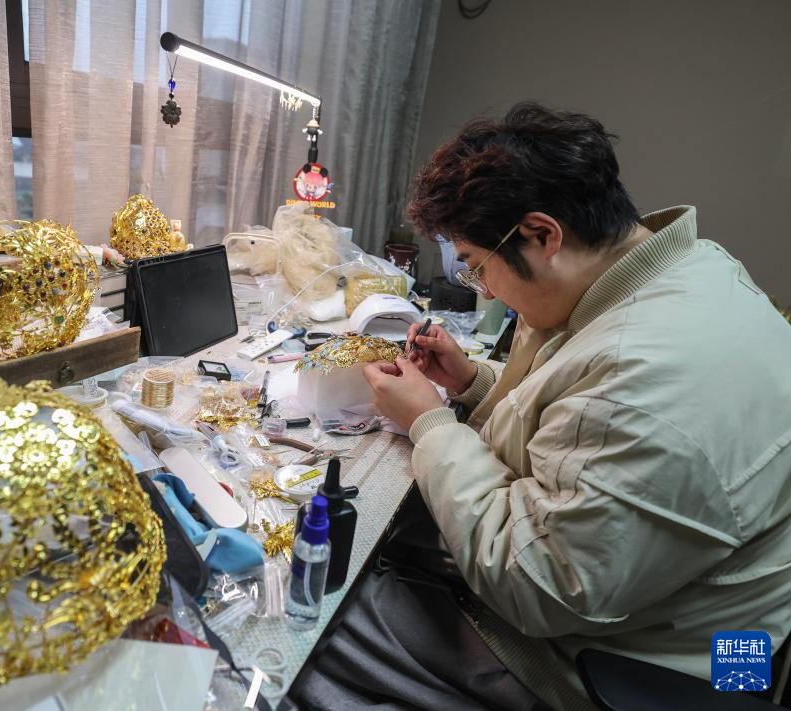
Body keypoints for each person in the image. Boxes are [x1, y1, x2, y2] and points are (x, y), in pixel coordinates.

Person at [293, 103, 791, 710]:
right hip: (684, 608)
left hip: (642, 663)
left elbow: (536, 586)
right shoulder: (676, 273)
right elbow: (578, 414)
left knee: (311, 622)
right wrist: (474, 382)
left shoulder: (652, 373)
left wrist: (430, 423)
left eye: (477, 266)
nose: (485, 288)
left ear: (541, 234)